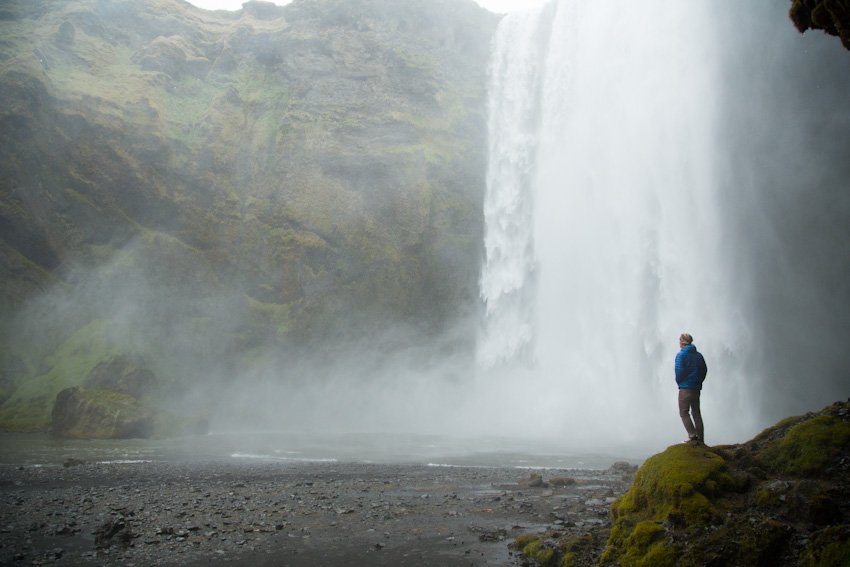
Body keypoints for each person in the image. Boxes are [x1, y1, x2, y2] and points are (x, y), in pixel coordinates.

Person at [675, 332, 708, 443]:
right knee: (696, 413)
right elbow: (704, 370)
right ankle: (701, 438)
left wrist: (680, 382)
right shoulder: (699, 355)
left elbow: (679, 371)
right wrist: (699, 381)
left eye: (680, 340)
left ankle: (693, 436)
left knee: (684, 412)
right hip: (696, 387)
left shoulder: (681, 355)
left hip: (685, 388)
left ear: (682, 342)